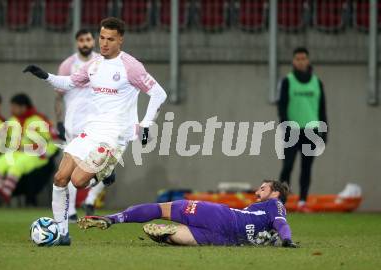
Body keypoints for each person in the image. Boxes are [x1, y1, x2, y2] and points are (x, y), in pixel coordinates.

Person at [24, 17, 167, 246]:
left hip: (115, 136)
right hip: (91, 130)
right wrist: (45, 76)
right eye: (102, 37)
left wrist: (147, 124)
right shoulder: (94, 65)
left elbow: (159, 94)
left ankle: (103, 174)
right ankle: (63, 234)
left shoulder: (131, 66)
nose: (104, 43)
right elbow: (70, 82)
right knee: (60, 178)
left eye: (110, 39)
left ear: (120, 39)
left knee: (79, 181)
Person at [77, 180, 297, 248]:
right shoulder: (258, 212)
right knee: (171, 234)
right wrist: (282, 240)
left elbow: (281, 223)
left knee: (160, 210)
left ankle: (113, 218)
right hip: (222, 240)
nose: (258, 191)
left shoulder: (275, 205)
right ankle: (169, 235)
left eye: (263, 188)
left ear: (275, 193)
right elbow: (277, 229)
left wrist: (287, 239)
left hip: (218, 217)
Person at [54, 29, 111, 221]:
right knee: (71, 167)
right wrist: (59, 122)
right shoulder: (68, 65)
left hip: (98, 123)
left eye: (88, 39)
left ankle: (91, 199)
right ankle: (69, 212)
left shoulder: (103, 62)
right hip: (75, 124)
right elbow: (59, 97)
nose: (85, 43)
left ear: (92, 41)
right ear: (77, 42)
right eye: (81, 40)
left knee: (105, 163)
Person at [278, 47, 328, 213]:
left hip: (311, 131)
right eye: (297, 59)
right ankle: (280, 202)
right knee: (288, 166)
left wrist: (324, 132)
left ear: (308, 60)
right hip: (292, 130)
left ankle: (302, 201)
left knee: (306, 168)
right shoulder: (288, 81)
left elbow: (322, 109)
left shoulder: (317, 82)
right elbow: (282, 106)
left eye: (303, 58)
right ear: (293, 61)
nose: (300, 61)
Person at [0, 93, 57, 204]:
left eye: (14, 106)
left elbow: (52, 140)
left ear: (23, 107)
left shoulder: (39, 119)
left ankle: (5, 195)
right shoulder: (11, 120)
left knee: (17, 166)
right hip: (16, 152)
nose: (11, 109)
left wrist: (46, 153)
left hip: (36, 154)